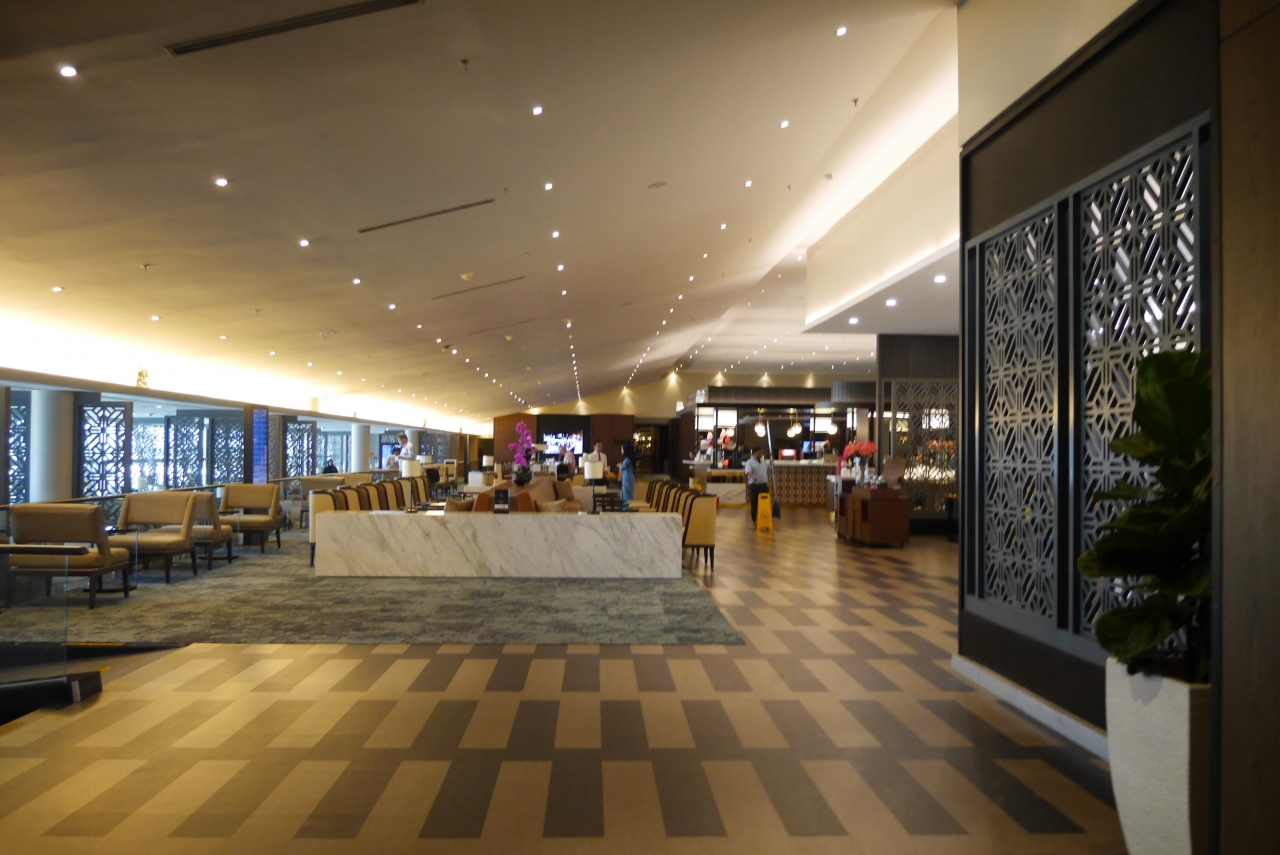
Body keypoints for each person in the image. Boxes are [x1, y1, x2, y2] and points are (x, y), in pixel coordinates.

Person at [744, 446, 770, 523]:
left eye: (762, 452)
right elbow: (748, 471)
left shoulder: (763, 462)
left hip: (763, 484)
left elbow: (770, 468)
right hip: (754, 485)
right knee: (754, 502)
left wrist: (772, 459)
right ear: (755, 453)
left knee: (765, 502)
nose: (761, 453)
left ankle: (764, 517)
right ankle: (754, 519)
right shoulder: (749, 462)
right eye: (760, 452)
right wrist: (752, 476)